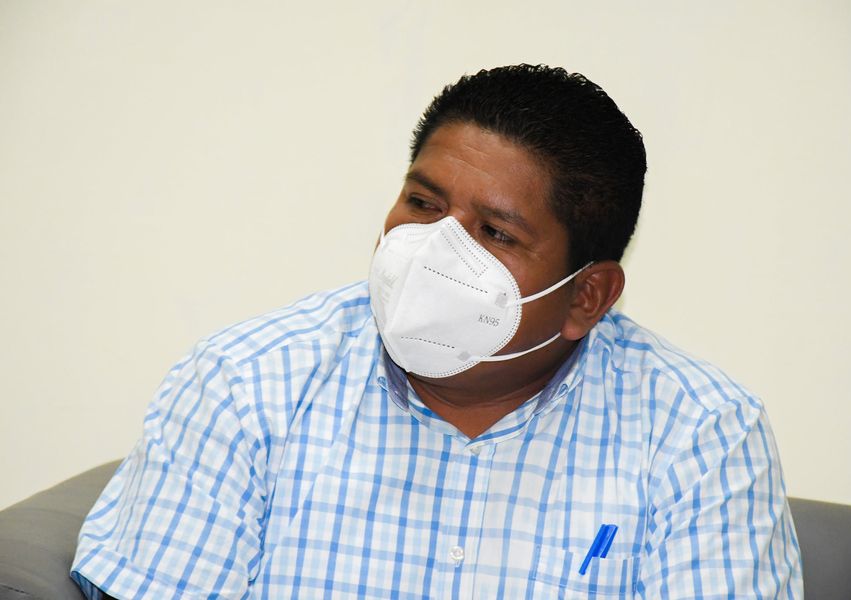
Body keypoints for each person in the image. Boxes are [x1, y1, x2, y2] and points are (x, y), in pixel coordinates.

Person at [71, 64, 802, 599]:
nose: (434, 251)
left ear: (587, 295)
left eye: (495, 233)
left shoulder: (700, 437)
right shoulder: (244, 384)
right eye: (423, 204)